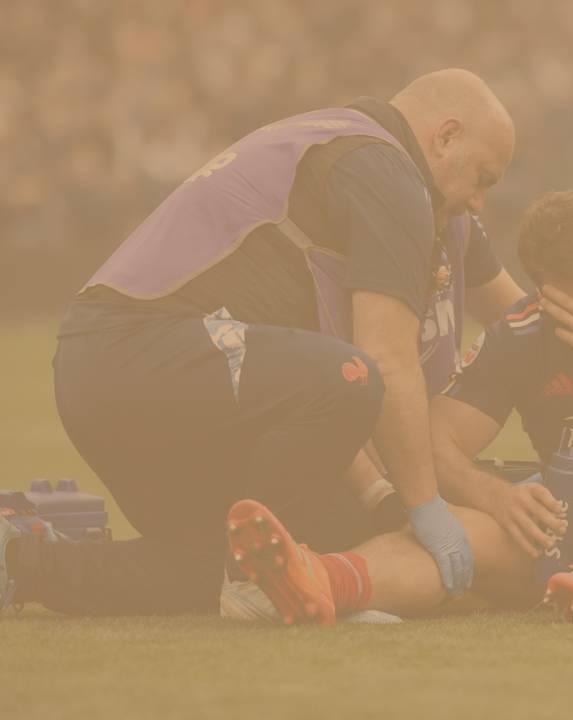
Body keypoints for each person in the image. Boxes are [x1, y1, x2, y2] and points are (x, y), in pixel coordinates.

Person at [0, 69, 523, 616]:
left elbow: (518, 319)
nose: (480, 201)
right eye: (483, 178)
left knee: (237, 563)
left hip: (117, 366)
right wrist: (424, 506)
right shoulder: (384, 168)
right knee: (352, 378)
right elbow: (384, 358)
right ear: (445, 137)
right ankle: (253, 585)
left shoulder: (372, 162)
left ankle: (24, 559)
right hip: (132, 347)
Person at [220, 191, 573, 624]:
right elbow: (432, 440)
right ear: (542, 290)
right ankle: (318, 580)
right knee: (452, 529)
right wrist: (494, 495)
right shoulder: (524, 332)